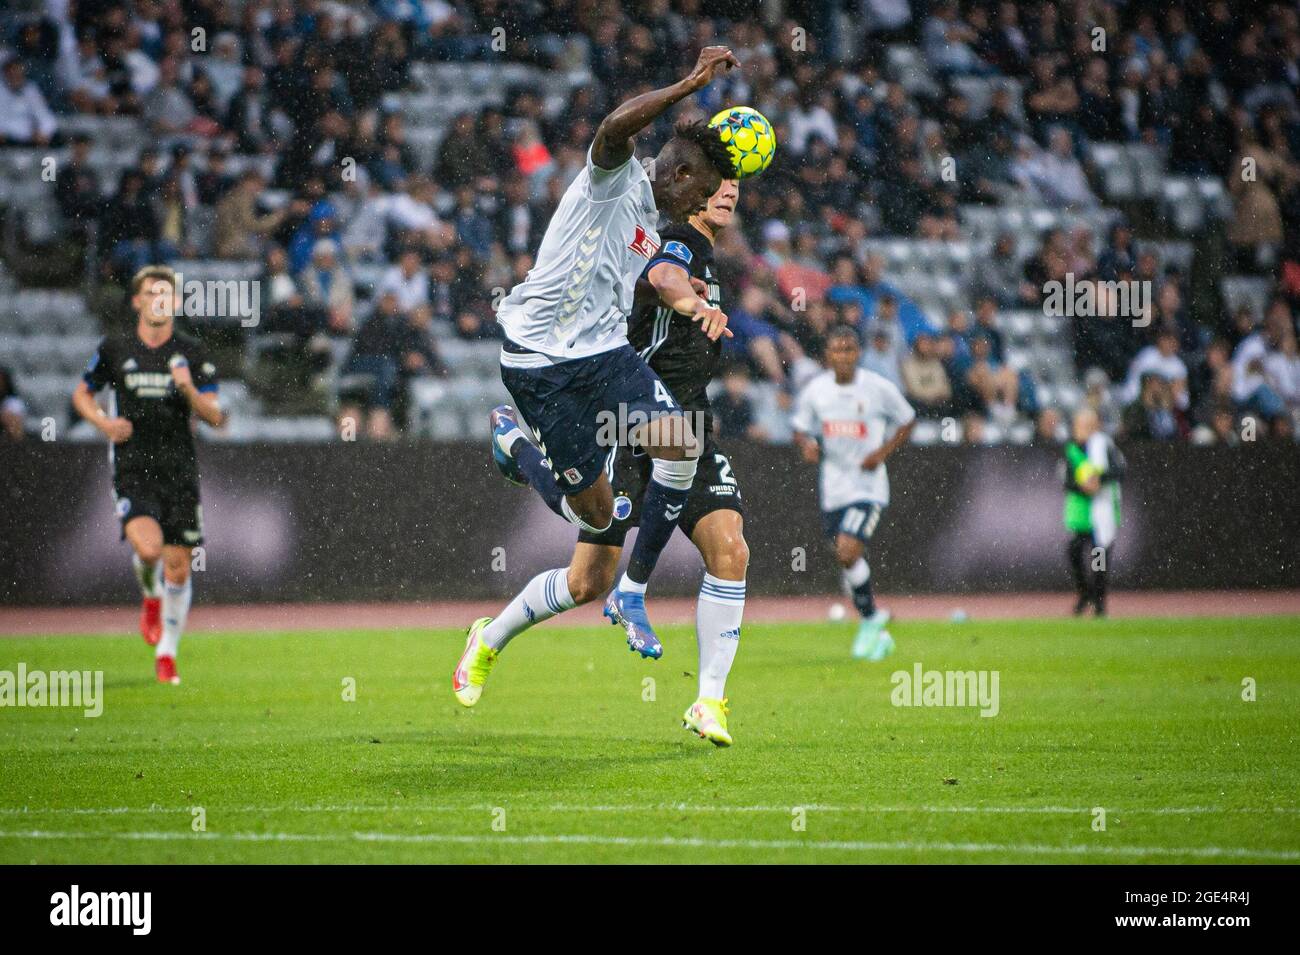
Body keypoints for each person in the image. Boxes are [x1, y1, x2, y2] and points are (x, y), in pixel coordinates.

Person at [454, 47, 740, 709]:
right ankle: (517, 448)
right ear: (679, 172)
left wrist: (681, 294)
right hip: (539, 361)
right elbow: (614, 129)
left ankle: (634, 589)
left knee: (679, 438)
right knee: (586, 509)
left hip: (606, 357)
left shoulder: (652, 221)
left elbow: (649, 274)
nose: (697, 204)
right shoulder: (614, 180)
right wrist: (687, 84)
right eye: (697, 191)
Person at [470, 178, 752, 745]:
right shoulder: (678, 239)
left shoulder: (706, 251)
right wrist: (690, 298)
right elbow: (661, 275)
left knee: (730, 550)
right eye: (718, 183)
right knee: (586, 581)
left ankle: (709, 701)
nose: (728, 193)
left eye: (736, 185)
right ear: (693, 189)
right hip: (632, 422)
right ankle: (490, 636)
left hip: (687, 421)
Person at [71, 266, 224, 684]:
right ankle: (150, 595)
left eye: (165, 294)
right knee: (150, 550)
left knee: (179, 566)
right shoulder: (116, 348)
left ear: (174, 303)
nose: (158, 300)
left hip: (179, 468)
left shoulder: (192, 352)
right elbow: (82, 394)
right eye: (149, 293)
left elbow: (217, 418)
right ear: (137, 301)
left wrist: (189, 389)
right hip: (134, 465)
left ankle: (167, 653)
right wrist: (104, 423)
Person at [792, 324, 916, 660]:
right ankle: (874, 621)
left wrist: (881, 453)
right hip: (833, 488)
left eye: (849, 349)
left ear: (858, 353)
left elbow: (907, 419)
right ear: (827, 355)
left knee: (847, 551)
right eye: (837, 350)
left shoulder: (877, 388)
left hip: (868, 487)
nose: (844, 356)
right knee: (847, 556)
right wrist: (807, 445)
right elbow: (801, 429)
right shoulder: (816, 390)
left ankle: (871, 621)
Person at [1062, 408, 1125, 617]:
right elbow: (1067, 480)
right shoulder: (1072, 450)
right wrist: (1085, 487)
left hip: (1102, 514)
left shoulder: (1104, 446)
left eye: (1089, 425)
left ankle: (1098, 601)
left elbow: (1119, 470)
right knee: (1075, 552)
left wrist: (1099, 480)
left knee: (1099, 558)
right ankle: (1084, 592)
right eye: (1081, 425)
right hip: (1082, 515)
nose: (1084, 430)